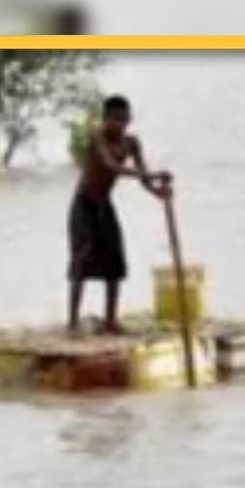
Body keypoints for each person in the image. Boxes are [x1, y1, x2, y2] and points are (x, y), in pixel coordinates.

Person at [68, 94, 173, 335]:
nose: (119, 125)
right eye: (114, 119)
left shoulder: (132, 143)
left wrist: (158, 192)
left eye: (123, 120)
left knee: (115, 259)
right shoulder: (97, 138)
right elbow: (110, 166)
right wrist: (154, 175)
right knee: (82, 260)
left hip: (105, 203)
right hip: (84, 204)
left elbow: (143, 178)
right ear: (104, 119)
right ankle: (72, 322)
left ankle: (110, 320)